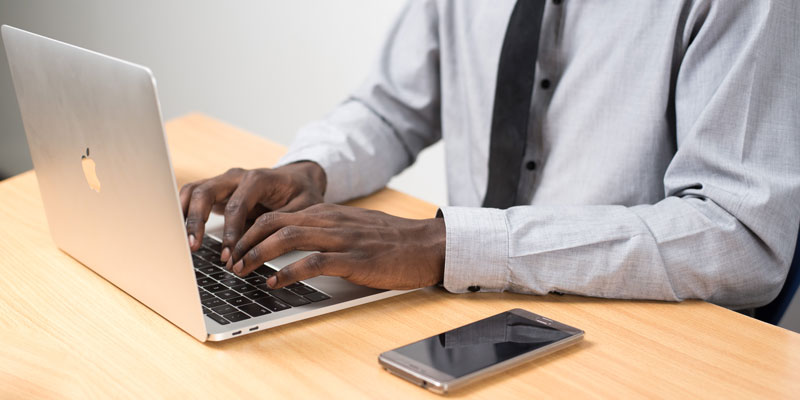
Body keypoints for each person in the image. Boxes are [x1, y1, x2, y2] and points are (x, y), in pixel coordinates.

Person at [180, 0, 800, 310]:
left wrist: (440, 245)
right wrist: (311, 170)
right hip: (461, 299)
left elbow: (738, 234)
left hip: (624, 321)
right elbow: (394, 107)